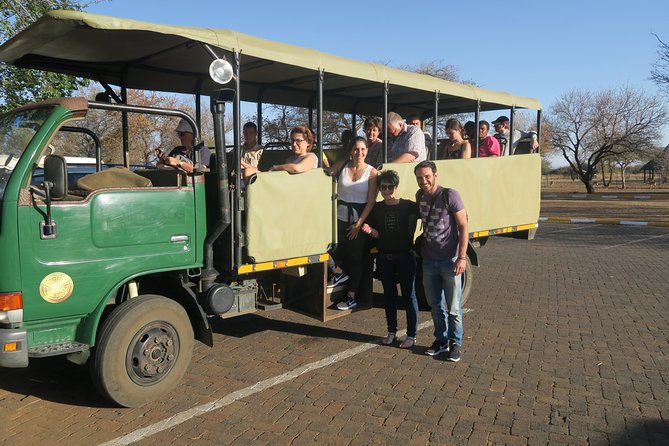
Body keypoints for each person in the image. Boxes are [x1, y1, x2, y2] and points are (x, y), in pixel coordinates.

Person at [414, 160, 468, 362]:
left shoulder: (449, 195)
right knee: (435, 305)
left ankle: (456, 343)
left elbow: (463, 226)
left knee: (453, 307)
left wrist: (461, 257)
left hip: (449, 259)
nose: (424, 181)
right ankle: (441, 341)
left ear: (435, 175)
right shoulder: (420, 196)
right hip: (429, 260)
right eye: (420, 178)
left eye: (427, 176)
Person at [361, 170, 419, 349]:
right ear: (379, 188)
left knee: (409, 296)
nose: (387, 190)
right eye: (383, 187)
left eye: (390, 186)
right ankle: (392, 332)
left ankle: (411, 335)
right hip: (385, 257)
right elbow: (379, 233)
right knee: (389, 296)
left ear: (396, 187)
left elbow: (429, 212)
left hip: (405, 257)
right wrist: (371, 231)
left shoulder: (409, 206)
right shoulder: (376, 208)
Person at [330, 136, 378, 311]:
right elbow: (326, 175)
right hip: (338, 217)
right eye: (356, 149)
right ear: (351, 151)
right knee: (334, 250)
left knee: (356, 258)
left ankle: (352, 296)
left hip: (358, 219)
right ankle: (338, 274)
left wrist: (359, 224)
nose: (359, 153)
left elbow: (371, 201)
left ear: (367, 151)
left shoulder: (372, 172)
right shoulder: (343, 164)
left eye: (363, 149)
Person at [243, 125, 318, 175]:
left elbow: (297, 168)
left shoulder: (311, 157)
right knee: (248, 171)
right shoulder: (290, 159)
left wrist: (275, 167)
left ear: (308, 142)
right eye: (292, 141)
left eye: (298, 141)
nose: (294, 144)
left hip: (300, 190)